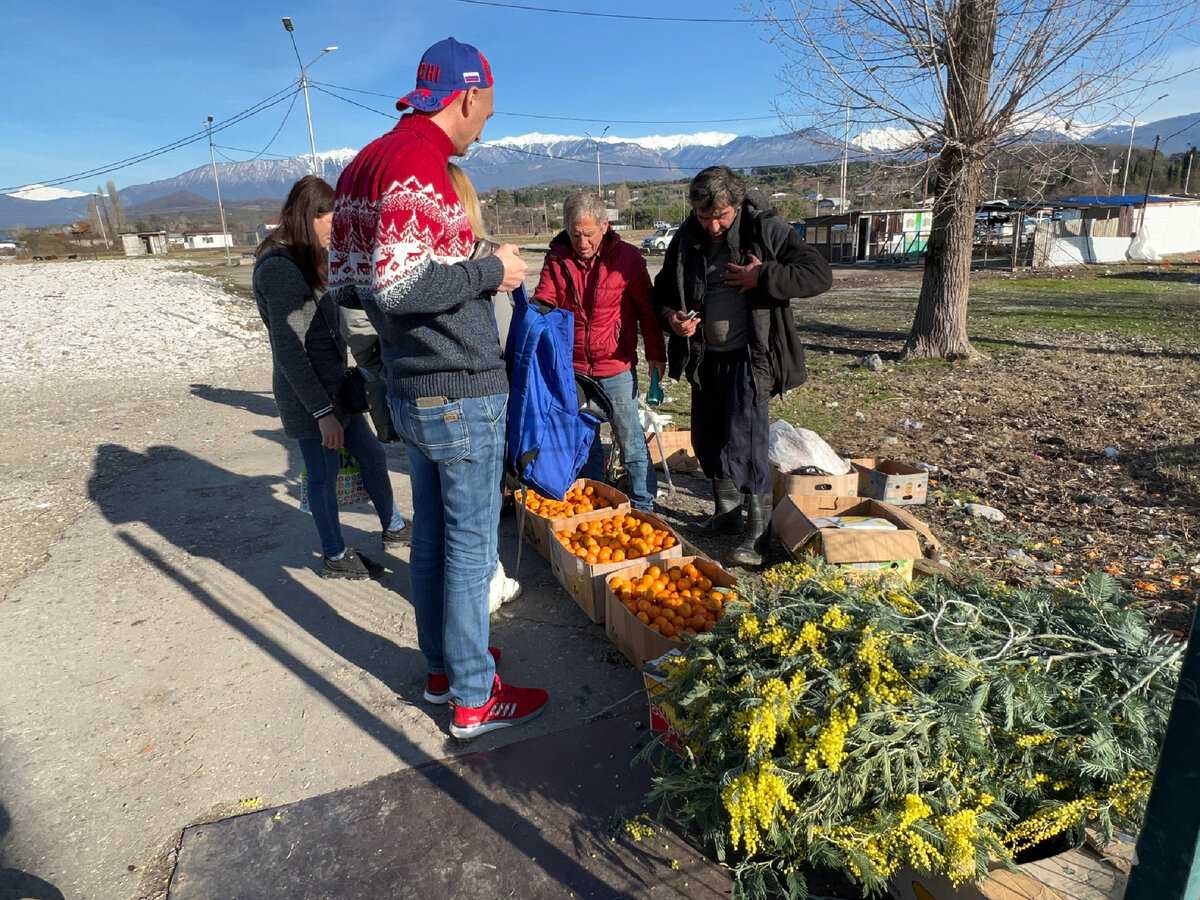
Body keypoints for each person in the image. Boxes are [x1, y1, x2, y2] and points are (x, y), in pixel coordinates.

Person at [328, 37, 547, 740]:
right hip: (458, 387)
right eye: (487, 110)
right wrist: (493, 274)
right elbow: (401, 283)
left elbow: (356, 286)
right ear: (469, 96)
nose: (486, 126)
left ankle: (443, 668)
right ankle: (475, 696)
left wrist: (466, 262)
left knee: (432, 541)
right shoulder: (422, 162)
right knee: (470, 548)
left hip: (411, 383)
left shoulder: (368, 162)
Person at [654, 166, 832, 567]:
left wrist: (763, 275)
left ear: (736, 204)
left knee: (746, 441)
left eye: (721, 216)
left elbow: (818, 274)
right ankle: (726, 511)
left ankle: (757, 533)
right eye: (704, 217)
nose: (713, 226)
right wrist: (672, 320)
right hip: (705, 357)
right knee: (706, 437)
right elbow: (662, 291)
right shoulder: (685, 239)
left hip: (750, 358)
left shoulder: (764, 229)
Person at [252, 175, 407, 579]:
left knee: (371, 455)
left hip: (336, 389)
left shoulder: (307, 259)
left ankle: (393, 527)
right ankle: (335, 555)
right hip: (310, 398)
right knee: (322, 474)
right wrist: (322, 412)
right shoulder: (280, 269)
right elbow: (289, 349)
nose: (333, 230)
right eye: (329, 221)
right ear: (309, 216)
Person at [532, 191, 666, 511]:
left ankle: (644, 503)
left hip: (615, 365)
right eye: (575, 235)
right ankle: (594, 498)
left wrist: (657, 355)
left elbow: (647, 312)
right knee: (584, 438)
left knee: (629, 435)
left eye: (589, 234)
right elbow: (544, 302)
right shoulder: (557, 259)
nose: (582, 243)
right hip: (574, 368)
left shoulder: (629, 260)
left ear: (604, 226)